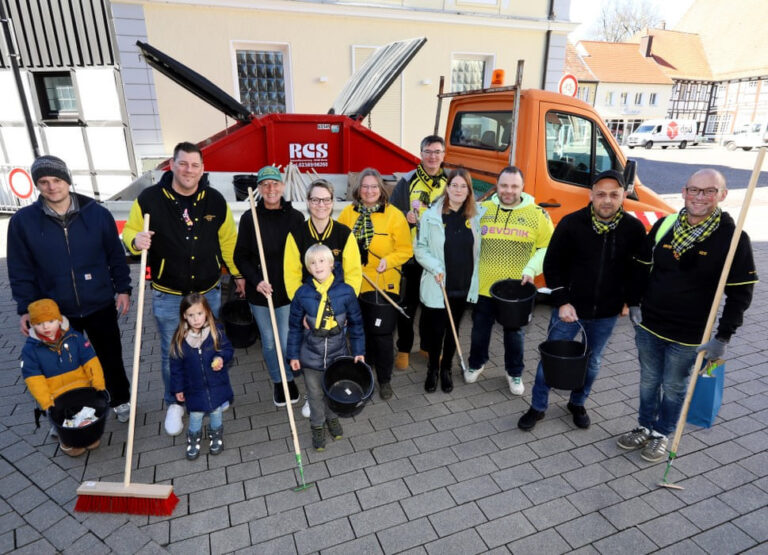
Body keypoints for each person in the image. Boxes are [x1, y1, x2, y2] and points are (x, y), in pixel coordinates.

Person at [617, 169, 757, 463]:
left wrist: (723, 337)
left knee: (674, 386)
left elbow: (740, 295)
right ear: (683, 192)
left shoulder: (733, 240)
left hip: (690, 334)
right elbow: (641, 265)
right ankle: (644, 426)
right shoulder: (666, 225)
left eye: (708, 191)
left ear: (722, 195)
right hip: (649, 325)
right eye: (694, 190)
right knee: (648, 381)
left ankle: (661, 433)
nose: (699, 197)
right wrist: (634, 302)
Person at [122, 142, 244, 437]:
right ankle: (175, 403)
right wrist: (135, 242)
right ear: (172, 165)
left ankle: (211, 394)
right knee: (172, 351)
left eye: (195, 165)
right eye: (183, 163)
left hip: (207, 292)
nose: (189, 170)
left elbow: (228, 241)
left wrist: (238, 274)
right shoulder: (150, 199)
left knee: (208, 346)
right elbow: (129, 232)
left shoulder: (214, 200)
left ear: (203, 170)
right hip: (168, 293)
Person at [517, 170, 650, 431]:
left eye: (614, 194)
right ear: (591, 195)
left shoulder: (633, 229)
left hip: (606, 313)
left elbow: (639, 269)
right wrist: (562, 300)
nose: (607, 200)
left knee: (593, 361)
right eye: (601, 194)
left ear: (623, 196)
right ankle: (538, 406)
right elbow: (552, 264)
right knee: (551, 359)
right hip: (570, 308)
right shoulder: (571, 223)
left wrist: (629, 301)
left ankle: (577, 403)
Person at [8, 155, 132, 423]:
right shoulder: (23, 222)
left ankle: (120, 399)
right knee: (63, 365)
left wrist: (123, 289)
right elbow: (20, 270)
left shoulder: (97, 213)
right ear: (37, 185)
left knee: (110, 356)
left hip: (99, 302)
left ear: (67, 180)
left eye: (57, 180)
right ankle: (71, 411)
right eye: (44, 182)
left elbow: (115, 255)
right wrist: (25, 309)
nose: (52, 187)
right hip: (55, 311)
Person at [465, 166, 554, 394]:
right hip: (484, 286)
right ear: (498, 185)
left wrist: (531, 268)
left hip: (518, 289)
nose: (508, 191)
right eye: (504, 185)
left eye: (514, 186)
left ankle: (514, 373)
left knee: (514, 334)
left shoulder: (537, 214)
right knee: (479, 331)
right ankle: (476, 363)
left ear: (522, 187)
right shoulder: (482, 209)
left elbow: (548, 248)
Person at [338, 168, 412, 400]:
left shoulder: (394, 215)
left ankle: (385, 379)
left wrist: (388, 261)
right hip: (356, 283)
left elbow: (406, 250)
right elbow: (338, 243)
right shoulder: (348, 214)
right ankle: (364, 371)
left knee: (381, 335)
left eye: (374, 186)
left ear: (381, 189)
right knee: (359, 331)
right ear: (358, 189)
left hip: (383, 284)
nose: (369, 191)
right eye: (365, 186)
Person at [234, 166, 305, 407]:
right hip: (259, 291)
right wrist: (256, 280)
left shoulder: (295, 218)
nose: (271, 189)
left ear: (282, 187)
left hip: (286, 291)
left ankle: (289, 378)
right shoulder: (249, 217)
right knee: (268, 342)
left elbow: (302, 255)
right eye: (265, 185)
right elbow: (240, 256)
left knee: (284, 341)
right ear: (259, 189)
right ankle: (279, 380)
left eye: (275, 183)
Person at [287, 245, 365, 451]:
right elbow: (294, 327)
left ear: (332, 264)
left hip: (337, 355)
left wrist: (358, 351)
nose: (317, 265)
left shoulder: (346, 292)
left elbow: (356, 324)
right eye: (312, 262)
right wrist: (293, 354)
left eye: (322, 261)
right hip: (311, 356)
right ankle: (317, 426)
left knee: (332, 389)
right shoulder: (302, 294)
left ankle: (332, 418)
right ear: (308, 268)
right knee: (314, 394)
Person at [413, 168, 485, 393]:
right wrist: (434, 267)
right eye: (454, 185)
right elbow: (420, 248)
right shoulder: (431, 215)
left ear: (469, 190)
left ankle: (447, 368)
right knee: (437, 331)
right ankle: (433, 368)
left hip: (463, 284)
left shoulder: (476, 214)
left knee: (454, 330)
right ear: (447, 187)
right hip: (439, 284)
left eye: (463, 186)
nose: (458, 190)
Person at [390, 135, 448, 369]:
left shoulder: (452, 181)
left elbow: (465, 210)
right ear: (421, 154)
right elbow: (392, 213)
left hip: (439, 255)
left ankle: (426, 346)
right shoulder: (407, 181)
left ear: (444, 155)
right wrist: (405, 214)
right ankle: (404, 348)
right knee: (408, 303)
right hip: (413, 254)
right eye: (428, 151)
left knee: (433, 304)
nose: (432, 156)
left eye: (437, 151)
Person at [21, 299, 106, 457]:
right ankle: (67, 441)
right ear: (32, 325)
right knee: (63, 420)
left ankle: (88, 436)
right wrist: (46, 401)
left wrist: (98, 384)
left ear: (59, 320)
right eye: (39, 324)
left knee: (85, 412)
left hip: (81, 388)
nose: (46, 327)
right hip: (56, 395)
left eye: (51, 321)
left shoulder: (75, 337)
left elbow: (91, 362)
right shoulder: (30, 350)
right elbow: (34, 380)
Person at [170, 293, 234, 460]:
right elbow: (175, 367)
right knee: (196, 414)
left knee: (216, 411)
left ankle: (216, 434)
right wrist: (177, 388)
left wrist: (221, 357)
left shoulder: (215, 331)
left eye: (199, 314)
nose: (196, 319)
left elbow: (227, 349)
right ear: (184, 316)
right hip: (194, 387)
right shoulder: (181, 339)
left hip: (216, 384)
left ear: (207, 312)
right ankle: (193, 437)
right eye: (191, 315)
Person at [284, 179, 362, 299]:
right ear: (308, 202)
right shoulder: (296, 235)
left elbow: (353, 275)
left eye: (326, 200)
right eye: (315, 200)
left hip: (338, 306)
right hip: (307, 306)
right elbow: (292, 277)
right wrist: (303, 306)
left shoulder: (345, 234)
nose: (321, 205)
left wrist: (344, 304)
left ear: (332, 202)